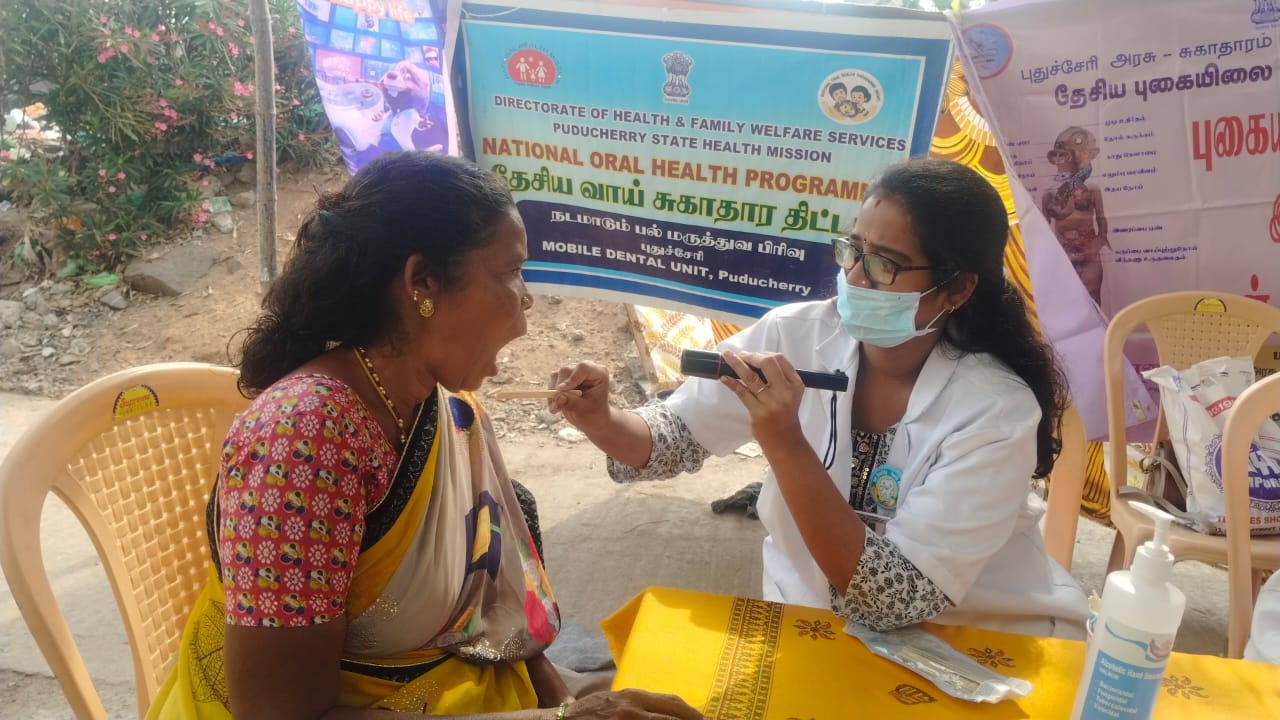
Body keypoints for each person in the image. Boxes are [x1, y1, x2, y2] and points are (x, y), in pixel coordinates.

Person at [148, 151, 702, 720]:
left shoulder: (449, 410)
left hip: (460, 686)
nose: (526, 299)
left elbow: (494, 603)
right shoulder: (303, 440)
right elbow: (280, 715)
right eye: (509, 272)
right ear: (422, 282)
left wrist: (563, 701)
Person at [551, 158, 1088, 639]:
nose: (854, 278)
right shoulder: (796, 333)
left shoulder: (994, 409)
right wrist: (602, 420)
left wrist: (784, 442)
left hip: (972, 638)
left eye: (885, 264)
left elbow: (895, 599)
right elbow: (673, 438)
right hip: (812, 624)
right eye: (853, 250)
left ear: (958, 288)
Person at [1041, 125, 1110, 310]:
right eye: (1061, 152)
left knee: (1093, 295)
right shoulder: (1049, 192)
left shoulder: (1093, 190)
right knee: (1066, 300)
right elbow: (1043, 225)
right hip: (1063, 253)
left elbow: (1101, 217)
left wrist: (1101, 238)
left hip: (1089, 251)